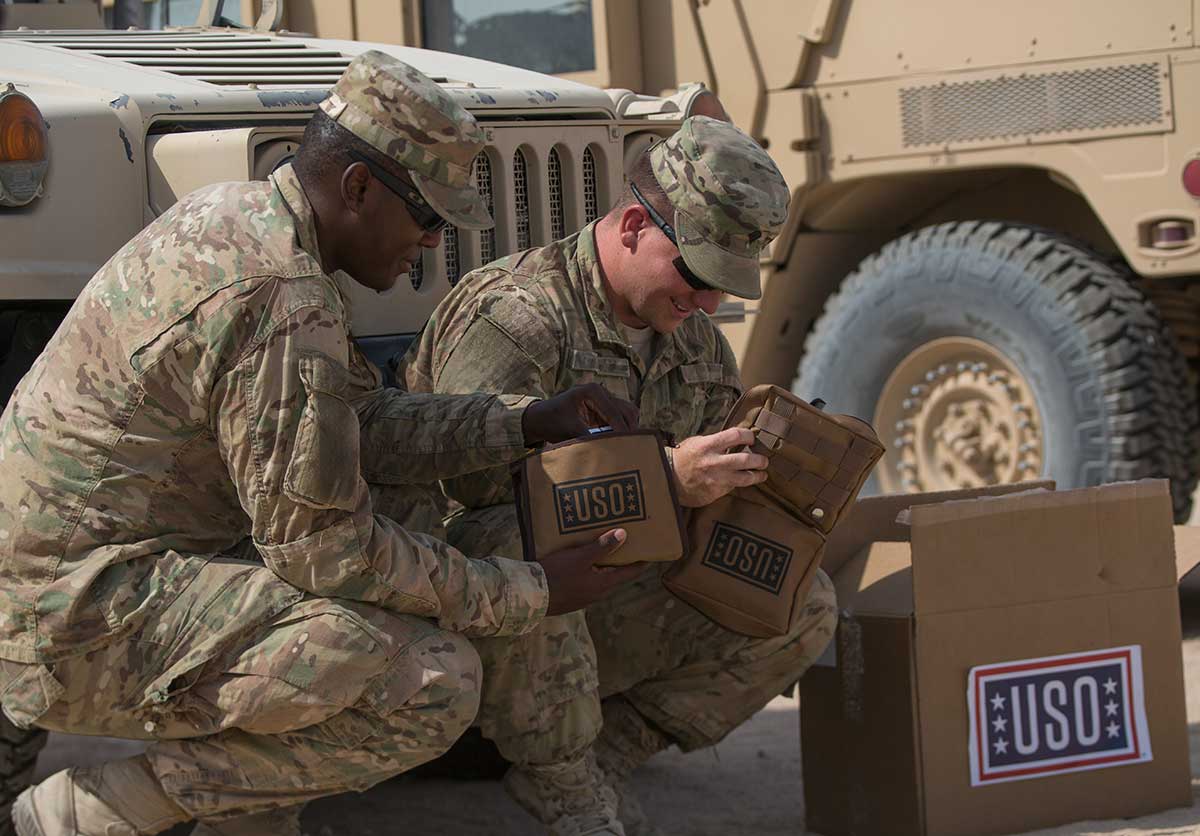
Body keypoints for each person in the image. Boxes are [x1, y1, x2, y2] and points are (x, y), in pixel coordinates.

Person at [0, 51, 644, 836]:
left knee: (397, 524)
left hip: (76, 579)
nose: (435, 244)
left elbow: (360, 431)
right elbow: (324, 551)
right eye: (429, 218)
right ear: (359, 187)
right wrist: (528, 591)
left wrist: (523, 421)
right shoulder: (281, 294)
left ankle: (252, 822)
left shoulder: (241, 221)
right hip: (70, 617)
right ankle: (82, 817)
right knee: (430, 680)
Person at [402, 116, 839, 836]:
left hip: (609, 582)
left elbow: (702, 493)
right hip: (475, 601)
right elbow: (470, 503)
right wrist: (663, 481)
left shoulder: (690, 335)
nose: (706, 304)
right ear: (635, 224)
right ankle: (569, 792)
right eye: (697, 276)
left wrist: (770, 490)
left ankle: (604, 756)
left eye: (722, 288)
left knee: (798, 595)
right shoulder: (517, 318)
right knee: (526, 547)